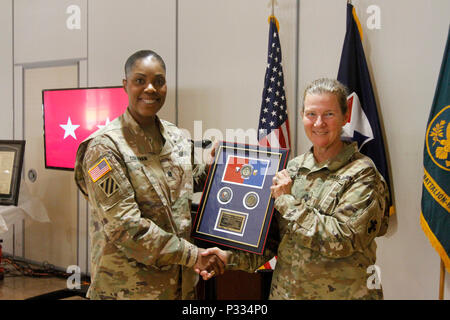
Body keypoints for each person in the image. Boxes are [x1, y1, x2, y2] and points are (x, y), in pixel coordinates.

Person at [200, 78, 390, 300]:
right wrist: (226, 258)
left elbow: (343, 240)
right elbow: (271, 242)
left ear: (345, 117)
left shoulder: (363, 174)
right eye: (311, 114)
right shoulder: (292, 169)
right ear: (302, 116)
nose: (319, 123)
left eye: (328, 114)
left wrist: (287, 202)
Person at [74, 50, 224, 300]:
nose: (151, 88)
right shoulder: (104, 148)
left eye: (159, 81)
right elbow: (127, 227)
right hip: (128, 291)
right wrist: (193, 255)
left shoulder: (175, 136)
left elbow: (191, 180)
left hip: (180, 286)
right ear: (126, 85)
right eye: (140, 80)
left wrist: (224, 168)